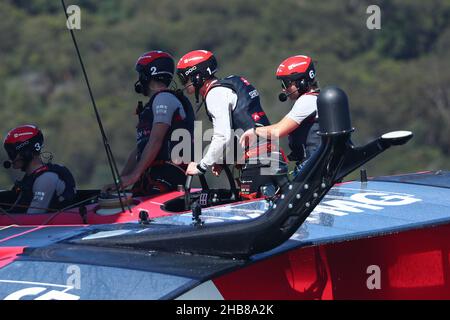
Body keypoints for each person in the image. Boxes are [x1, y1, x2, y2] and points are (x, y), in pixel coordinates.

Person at [176, 50, 288, 199]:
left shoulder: (214, 94)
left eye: (185, 79)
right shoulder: (232, 83)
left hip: (257, 160)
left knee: (252, 211)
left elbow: (222, 136)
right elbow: (241, 129)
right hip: (271, 156)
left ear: (197, 76)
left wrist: (201, 165)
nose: (184, 84)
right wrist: (223, 159)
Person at [103, 50, 195, 195]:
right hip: (151, 175)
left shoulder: (163, 98)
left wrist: (134, 175)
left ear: (147, 75)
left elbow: (156, 140)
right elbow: (140, 150)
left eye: (141, 74)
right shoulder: (154, 103)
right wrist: (121, 181)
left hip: (167, 176)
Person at [240, 55, 321, 176]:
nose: (283, 89)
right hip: (314, 166)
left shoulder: (307, 101)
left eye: (286, 83)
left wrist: (254, 131)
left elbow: (277, 131)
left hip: (314, 169)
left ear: (302, 81)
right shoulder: (314, 98)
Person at [3, 125, 76, 214]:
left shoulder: (46, 179)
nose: (10, 158)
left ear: (26, 153)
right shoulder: (29, 178)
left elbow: (32, 218)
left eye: (12, 153)